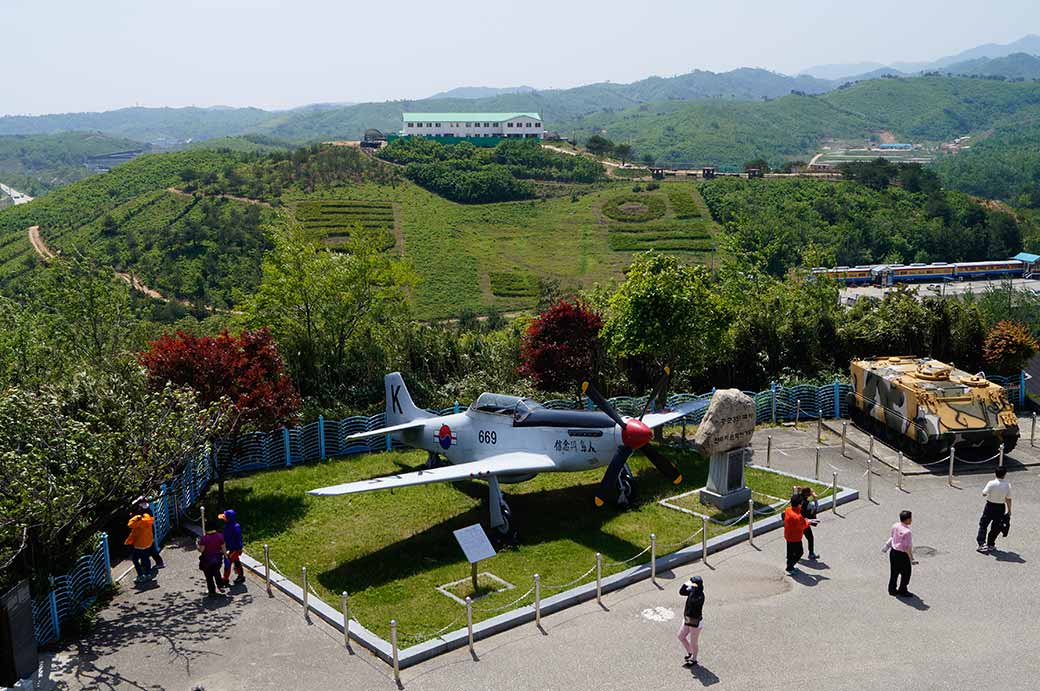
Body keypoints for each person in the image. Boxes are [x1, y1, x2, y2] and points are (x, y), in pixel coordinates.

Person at [977, 467, 1012, 553]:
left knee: (983, 525)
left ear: (995, 473)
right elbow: (1008, 499)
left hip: (990, 506)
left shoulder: (991, 483)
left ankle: (982, 544)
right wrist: (1009, 510)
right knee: (996, 526)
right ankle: (991, 544)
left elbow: (984, 493)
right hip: (1000, 507)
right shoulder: (1007, 485)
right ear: (1005, 474)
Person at [885, 510, 917, 597]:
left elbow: (892, 537)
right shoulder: (907, 532)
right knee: (906, 573)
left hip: (893, 552)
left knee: (894, 572)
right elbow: (907, 547)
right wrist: (911, 559)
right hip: (902, 555)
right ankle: (903, 590)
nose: (911, 520)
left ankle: (892, 589)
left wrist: (886, 546)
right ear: (907, 520)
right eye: (910, 518)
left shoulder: (895, 525)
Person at [783, 496, 818, 574]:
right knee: (799, 553)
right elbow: (803, 525)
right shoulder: (798, 517)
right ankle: (790, 567)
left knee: (790, 551)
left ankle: (789, 563)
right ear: (799, 505)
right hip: (795, 538)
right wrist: (809, 522)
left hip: (788, 535)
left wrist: (805, 521)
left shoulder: (788, 510)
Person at [677, 576, 704, 667]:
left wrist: (692, 590)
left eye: (693, 583)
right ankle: (690, 652)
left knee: (693, 642)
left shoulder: (700, 596)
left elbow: (693, 602)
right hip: (687, 619)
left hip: (695, 622)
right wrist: (685, 585)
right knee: (681, 636)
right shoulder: (692, 590)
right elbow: (681, 592)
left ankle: (694, 659)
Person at [132, 496, 165, 569]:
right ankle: (152, 563)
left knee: (149, 550)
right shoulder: (145, 510)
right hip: (146, 533)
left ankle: (157, 563)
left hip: (147, 533)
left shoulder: (146, 512)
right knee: (148, 549)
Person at [124, 510, 157, 584]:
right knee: (146, 558)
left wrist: (136, 518)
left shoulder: (138, 523)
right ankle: (148, 573)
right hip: (148, 543)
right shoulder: (148, 520)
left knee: (135, 560)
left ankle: (141, 575)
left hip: (139, 545)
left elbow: (130, 525)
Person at [197, 525, 229, 598]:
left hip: (206, 561)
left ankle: (212, 591)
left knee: (209, 576)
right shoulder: (220, 536)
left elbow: (201, 550)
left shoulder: (204, 539)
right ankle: (220, 586)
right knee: (217, 572)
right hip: (217, 559)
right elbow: (223, 548)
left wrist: (197, 545)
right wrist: (226, 557)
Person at [219, 509, 245, 587]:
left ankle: (225, 579)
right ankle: (241, 576)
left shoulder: (236, 527)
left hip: (234, 549)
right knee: (236, 561)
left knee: (228, 562)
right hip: (229, 547)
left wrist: (240, 548)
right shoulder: (227, 525)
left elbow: (239, 538)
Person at [798, 486, 820, 560]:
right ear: (807, 494)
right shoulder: (808, 504)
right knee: (810, 538)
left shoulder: (797, 498)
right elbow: (816, 507)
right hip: (803, 522)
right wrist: (815, 498)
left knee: (796, 538)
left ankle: (792, 553)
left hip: (795, 521)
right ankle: (811, 553)